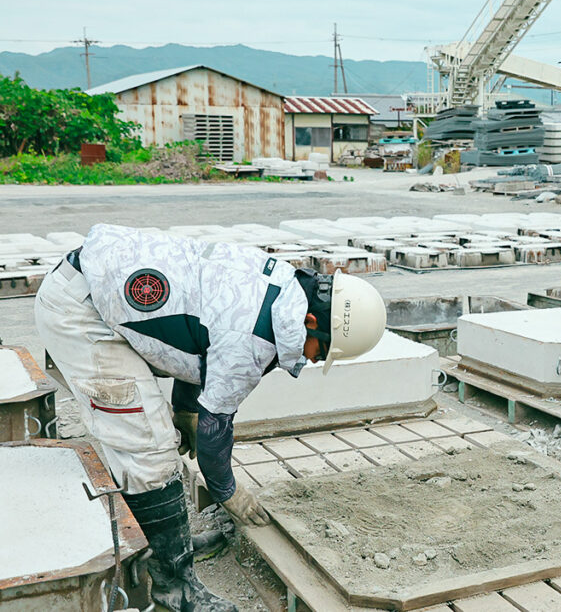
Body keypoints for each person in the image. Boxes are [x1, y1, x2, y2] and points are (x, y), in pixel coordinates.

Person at [35, 224, 387, 612]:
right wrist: (227, 492)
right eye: (322, 352)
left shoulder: (280, 286)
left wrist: (185, 410)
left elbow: (200, 343)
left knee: (153, 435)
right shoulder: (253, 338)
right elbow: (216, 429)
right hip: (81, 314)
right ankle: (175, 587)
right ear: (313, 324)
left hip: (98, 287)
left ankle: (168, 546)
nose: (313, 360)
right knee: (150, 450)